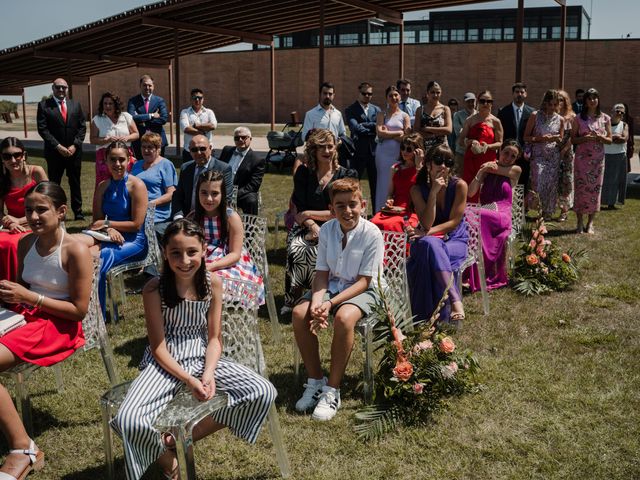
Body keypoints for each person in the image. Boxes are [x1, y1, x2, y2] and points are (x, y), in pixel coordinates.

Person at [111, 219, 276, 480]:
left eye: (192, 252)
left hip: (201, 356)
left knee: (262, 390)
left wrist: (208, 373)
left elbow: (214, 339)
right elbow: (158, 347)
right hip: (165, 363)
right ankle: (167, 460)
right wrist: (189, 380)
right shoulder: (154, 289)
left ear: (203, 251)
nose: (184, 260)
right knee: (128, 420)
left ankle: (179, 438)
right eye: (176, 253)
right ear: (165, 253)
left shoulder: (213, 284)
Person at [0, 181, 92, 480]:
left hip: (58, 325)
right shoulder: (25, 242)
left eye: (42, 209)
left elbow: (79, 310)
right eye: (29, 210)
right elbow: (21, 289)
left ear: (61, 211)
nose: (34, 216)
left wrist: (30, 298)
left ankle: (23, 447)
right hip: (25, 316)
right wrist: (12, 296)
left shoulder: (75, 249)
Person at [292, 177, 384, 421]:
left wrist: (329, 305)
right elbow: (321, 273)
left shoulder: (372, 233)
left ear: (363, 205)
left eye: (352, 204)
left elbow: (365, 281)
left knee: (344, 318)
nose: (347, 211)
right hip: (333, 285)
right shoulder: (328, 231)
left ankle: (332, 391)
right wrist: (316, 305)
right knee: (299, 313)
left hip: (367, 290)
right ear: (331, 209)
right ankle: (315, 381)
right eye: (340, 206)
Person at [283, 129, 357, 312]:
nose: (326, 150)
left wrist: (309, 213)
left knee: (323, 251)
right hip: (307, 226)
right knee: (296, 247)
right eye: (321, 147)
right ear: (314, 150)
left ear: (335, 148)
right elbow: (298, 210)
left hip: (339, 227)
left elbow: (341, 212)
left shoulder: (346, 174)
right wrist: (312, 224)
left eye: (330, 146)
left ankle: (325, 294)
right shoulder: (303, 173)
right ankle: (294, 296)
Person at [76, 141, 148, 317]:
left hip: (134, 241)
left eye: (121, 159)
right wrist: (108, 229)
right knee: (79, 253)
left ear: (129, 160)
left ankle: (98, 314)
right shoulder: (103, 186)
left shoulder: (136, 185)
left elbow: (136, 224)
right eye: (113, 160)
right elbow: (96, 221)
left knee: (95, 260)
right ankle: (83, 307)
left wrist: (108, 225)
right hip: (110, 237)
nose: (117, 164)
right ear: (106, 162)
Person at [406, 144, 468, 325]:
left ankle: (428, 316)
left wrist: (425, 233)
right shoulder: (417, 190)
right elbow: (426, 222)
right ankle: (454, 300)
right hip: (427, 241)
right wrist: (433, 193)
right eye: (439, 161)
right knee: (430, 245)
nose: (443, 166)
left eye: (448, 162)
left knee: (429, 245)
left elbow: (453, 222)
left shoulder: (459, 186)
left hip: (455, 240)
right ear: (428, 165)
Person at [190, 169, 264, 303]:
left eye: (214, 193)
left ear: (223, 194)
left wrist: (210, 266)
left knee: (214, 282)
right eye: (204, 193)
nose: (209, 199)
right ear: (197, 193)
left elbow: (235, 255)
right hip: (202, 257)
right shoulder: (193, 217)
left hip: (227, 261)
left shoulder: (231, 217)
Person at [466, 140, 522, 291]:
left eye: (513, 156)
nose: (508, 158)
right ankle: (468, 271)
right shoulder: (487, 167)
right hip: (486, 210)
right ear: (500, 151)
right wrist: (480, 173)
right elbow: (471, 193)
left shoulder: (515, 170)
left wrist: (486, 167)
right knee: (467, 214)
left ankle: (483, 274)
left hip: (502, 213)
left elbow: (497, 170)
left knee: (476, 213)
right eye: (506, 153)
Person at [36, 77, 86, 220]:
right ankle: (55, 210)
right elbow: (43, 129)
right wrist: (58, 146)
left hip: (74, 152)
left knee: (75, 182)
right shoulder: (44, 105)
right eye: (58, 87)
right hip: (54, 153)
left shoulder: (75, 105)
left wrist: (75, 145)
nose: (61, 90)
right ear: (53, 88)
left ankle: (78, 212)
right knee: (54, 183)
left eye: (64, 87)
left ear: (67, 89)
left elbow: (82, 127)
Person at [0, 137, 47, 281]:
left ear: (24, 155)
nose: (13, 160)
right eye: (7, 156)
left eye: (17, 155)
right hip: (13, 227)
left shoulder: (36, 172)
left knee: (11, 244)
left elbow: (48, 205)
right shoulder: (1, 179)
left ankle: (18, 288)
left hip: (38, 223)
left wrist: (19, 221)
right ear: (1, 159)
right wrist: (10, 223)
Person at [571, 88, 612, 234]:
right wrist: (585, 138)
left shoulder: (605, 118)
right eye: (589, 98)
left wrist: (600, 138)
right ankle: (579, 221)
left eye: (595, 98)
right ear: (586, 101)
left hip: (597, 160)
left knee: (595, 190)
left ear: (598, 100)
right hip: (582, 160)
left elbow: (609, 140)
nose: (592, 100)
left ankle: (591, 223)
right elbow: (573, 139)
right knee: (581, 189)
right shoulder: (578, 118)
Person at [522, 89, 564, 219]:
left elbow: (561, 138)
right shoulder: (535, 115)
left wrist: (557, 138)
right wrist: (541, 139)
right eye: (550, 104)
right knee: (538, 184)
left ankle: (547, 213)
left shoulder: (560, 119)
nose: (552, 107)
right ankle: (525, 207)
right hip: (538, 155)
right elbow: (526, 137)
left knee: (550, 186)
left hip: (553, 156)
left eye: (555, 105)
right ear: (545, 103)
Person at [370, 133, 424, 232]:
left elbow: (424, 191)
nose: (404, 151)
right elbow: (390, 194)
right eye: (403, 148)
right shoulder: (395, 168)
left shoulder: (422, 170)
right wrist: (389, 201)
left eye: (409, 149)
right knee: (375, 222)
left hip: (412, 210)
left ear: (418, 151)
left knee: (395, 224)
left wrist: (418, 166)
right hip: (394, 209)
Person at [171, 135, 232, 220]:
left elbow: (226, 198)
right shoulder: (186, 168)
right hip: (186, 218)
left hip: (211, 218)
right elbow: (178, 196)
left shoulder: (223, 168)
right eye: (194, 150)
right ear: (189, 151)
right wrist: (178, 217)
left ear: (210, 148)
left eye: (202, 149)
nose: (198, 153)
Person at [458, 90, 503, 202]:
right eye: (482, 101)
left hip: (487, 159)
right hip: (471, 159)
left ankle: (487, 215)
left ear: (492, 103)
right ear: (478, 102)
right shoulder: (470, 120)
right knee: (470, 187)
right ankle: (470, 215)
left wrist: (487, 146)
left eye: (489, 101)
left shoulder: (496, 121)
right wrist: (470, 142)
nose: (485, 104)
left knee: (487, 187)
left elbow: (500, 143)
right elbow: (460, 140)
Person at [131, 132, 177, 237]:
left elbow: (171, 193)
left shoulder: (166, 165)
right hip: (134, 209)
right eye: (143, 147)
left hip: (156, 213)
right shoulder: (137, 164)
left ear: (158, 149)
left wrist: (149, 204)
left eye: (150, 147)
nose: (146, 150)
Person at [90, 91, 139, 188]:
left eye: (110, 103)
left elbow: (136, 134)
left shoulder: (126, 116)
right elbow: (93, 139)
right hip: (104, 157)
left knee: (126, 184)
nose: (107, 106)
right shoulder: (97, 119)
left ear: (116, 105)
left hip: (124, 155)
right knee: (104, 185)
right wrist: (106, 140)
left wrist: (126, 138)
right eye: (105, 103)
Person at [374, 85, 411, 212]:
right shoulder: (381, 114)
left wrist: (388, 133)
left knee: (395, 182)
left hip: (398, 153)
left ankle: (395, 209)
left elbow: (407, 138)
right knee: (383, 181)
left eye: (396, 95)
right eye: (390, 95)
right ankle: (379, 210)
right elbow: (379, 133)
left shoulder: (405, 116)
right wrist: (397, 133)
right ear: (386, 98)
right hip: (383, 154)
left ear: (400, 97)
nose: (394, 98)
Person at [344, 82, 381, 203]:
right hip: (358, 152)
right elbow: (355, 128)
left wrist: (365, 125)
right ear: (358, 93)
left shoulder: (377, 109)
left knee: (376, 185)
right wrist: (372, 128)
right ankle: (354, 207)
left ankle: (376, 212)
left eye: (370, 94)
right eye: (364, 93)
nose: (367, 96)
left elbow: (379, 127)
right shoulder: (350, 109)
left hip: (374, 153)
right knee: (353, 184)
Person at [218, 126, 265, 215]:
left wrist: (233, 195)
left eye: (243, 137)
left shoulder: (257, 160)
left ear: (250, 139)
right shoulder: (226, 150)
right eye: (237, 138)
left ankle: (249, 228)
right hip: (221, 189)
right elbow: (218, 169)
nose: (240, 139)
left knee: (251, 200)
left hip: (240, 193)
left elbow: (253, 185)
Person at [497, 82, 534, 194]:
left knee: (523, 179)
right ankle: (506, 204)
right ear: (513, 94)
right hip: (508, 153)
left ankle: (520, 208)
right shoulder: (503, 111)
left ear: (526, 94)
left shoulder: (532, 112)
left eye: (522, 92)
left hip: (524, 153)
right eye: (517, 92)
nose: (519, 94)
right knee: (506, 179)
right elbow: (500, 133)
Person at [127, 74, 169, 159]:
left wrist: (142, 121)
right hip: (139, 141)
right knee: (140, 167)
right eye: (144, 85)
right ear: (140, 86)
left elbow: (164, 118)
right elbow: (131, 118)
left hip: (158, 140)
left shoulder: (159, 101)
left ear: (153, 86)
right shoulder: (133, 101)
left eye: (150, 85)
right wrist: (151, 115)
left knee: (158, 165)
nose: (147, 87)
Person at [179, 88, 217, 164]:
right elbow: (186, 129)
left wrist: (197, 125)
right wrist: (203, 133)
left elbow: (213, 126)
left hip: (207, 150)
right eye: (194, 98)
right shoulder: (185, 112)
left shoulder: (209, 112)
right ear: (191, 99)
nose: (197, 100)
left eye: (200, 98)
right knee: (189, 174)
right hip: (189, 151)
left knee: (209, 173)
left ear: (203, 99)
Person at [602, 104, 629, 209]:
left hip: (619, 155)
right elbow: (602, 138)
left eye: (622, 112)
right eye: (618, 111)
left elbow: (624, 139)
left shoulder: (624, 125)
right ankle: (601, 201)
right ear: (612, 112)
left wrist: (609, 138)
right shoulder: (605, 124)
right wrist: (615, 137)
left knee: (616, 181)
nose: (620, 114)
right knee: (604, 180)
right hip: (605, 154)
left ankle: (612, 203)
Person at [414, 81, 453, 150]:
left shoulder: (445, 109)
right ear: (427, 93)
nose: (435, 95)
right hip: (424, 147)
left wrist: (428, 129)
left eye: (438, 92)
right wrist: (437, 132)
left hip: (441, 148)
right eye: (432, 92)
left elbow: (449, 130)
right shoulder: (420, 110)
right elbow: (416, 130)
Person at [557, 90, 576, 222]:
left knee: (566, 181)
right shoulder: (552, 115)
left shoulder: (572, 116)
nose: (559, 102)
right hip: (552, 153)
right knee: (554, 181)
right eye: (557, 99)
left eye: (562, 99)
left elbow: (573, 137)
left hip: (567, 153)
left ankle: (564, 211)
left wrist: (564, 149)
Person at [452, 92, 477, 176]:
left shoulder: (479, 115)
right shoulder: (458, 115)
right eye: (468, 102)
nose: (471, 104)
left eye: (472, 101)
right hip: (461, 152)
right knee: (460, 175)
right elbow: (458, 132)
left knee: (474, 176)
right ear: (464, 102)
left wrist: (465, 130)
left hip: (476, 152)